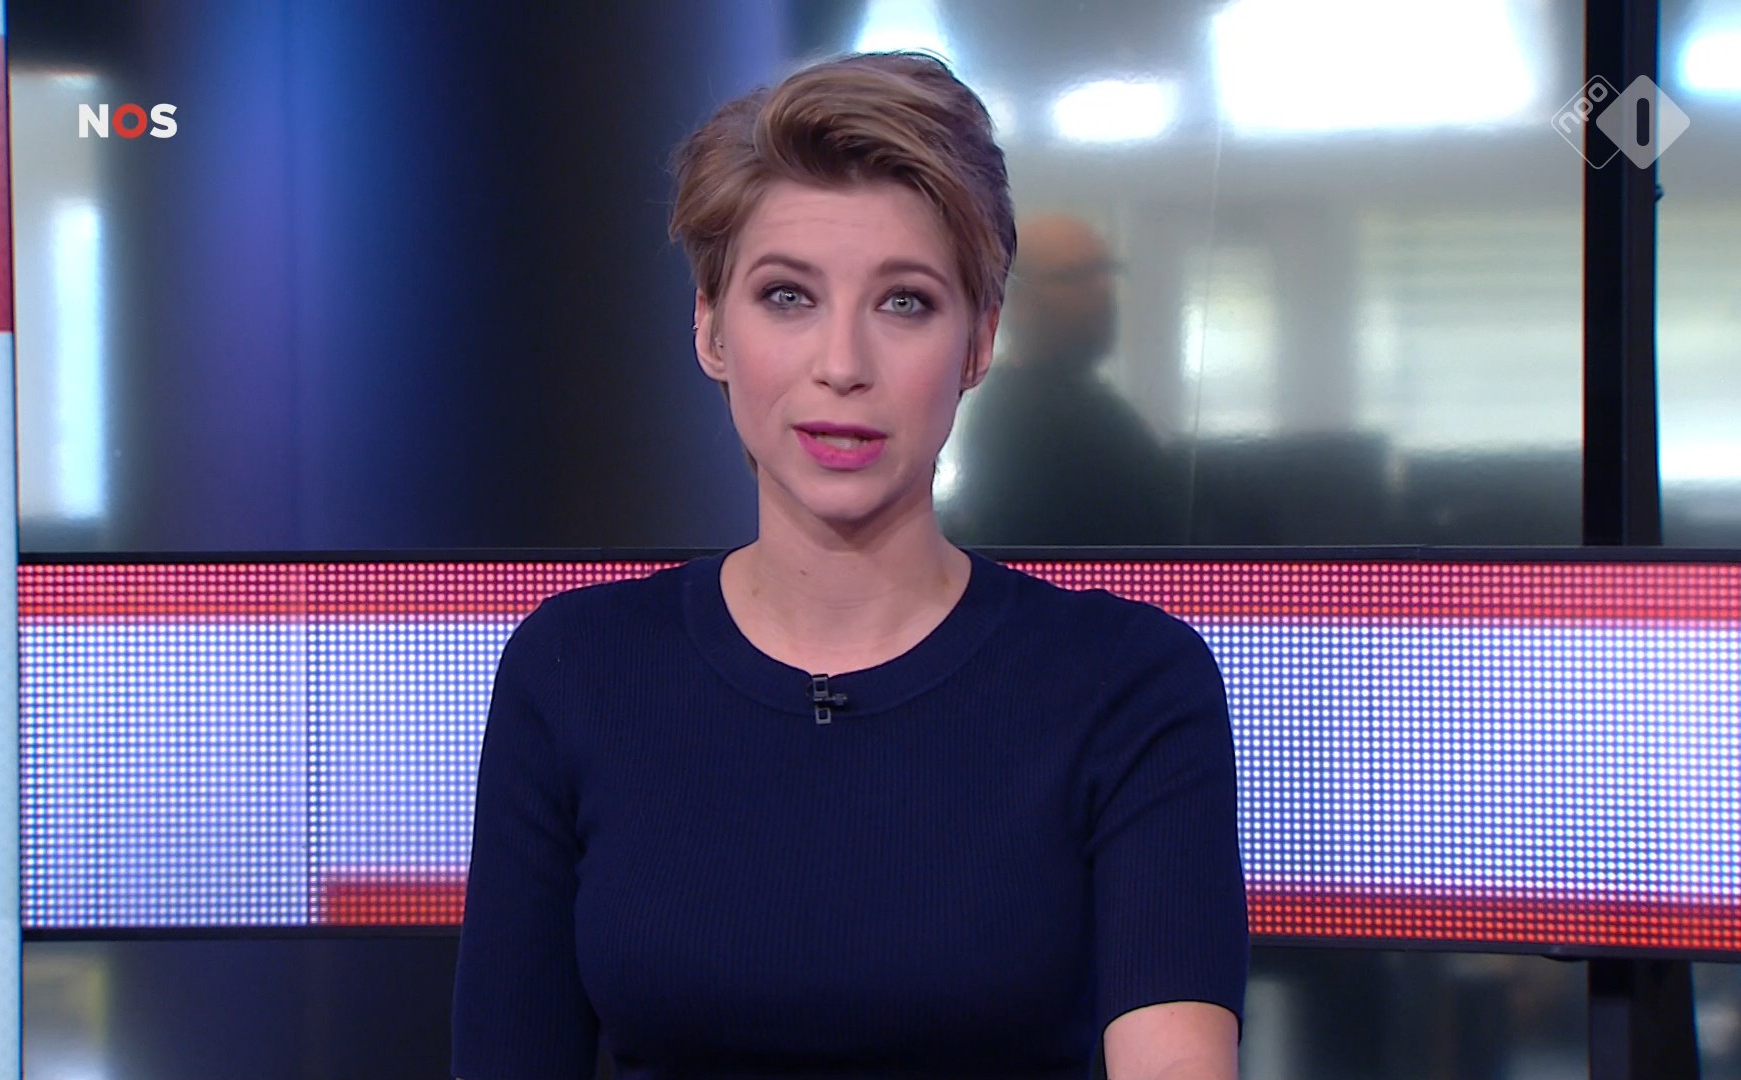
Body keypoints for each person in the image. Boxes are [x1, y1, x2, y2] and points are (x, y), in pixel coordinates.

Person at [450, 51, 1245, 1080]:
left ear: (978, 343)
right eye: (787, 296)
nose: (842, 365)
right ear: (710, 328)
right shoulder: (574, 670)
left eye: (904, 302)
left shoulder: (1127, 682)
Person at [946, 214, 1190, 546]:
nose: (1103, 292)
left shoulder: (1082, 398)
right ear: (1018, 301)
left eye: (1106, 273)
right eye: (1079, 277)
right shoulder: (1022, 419)